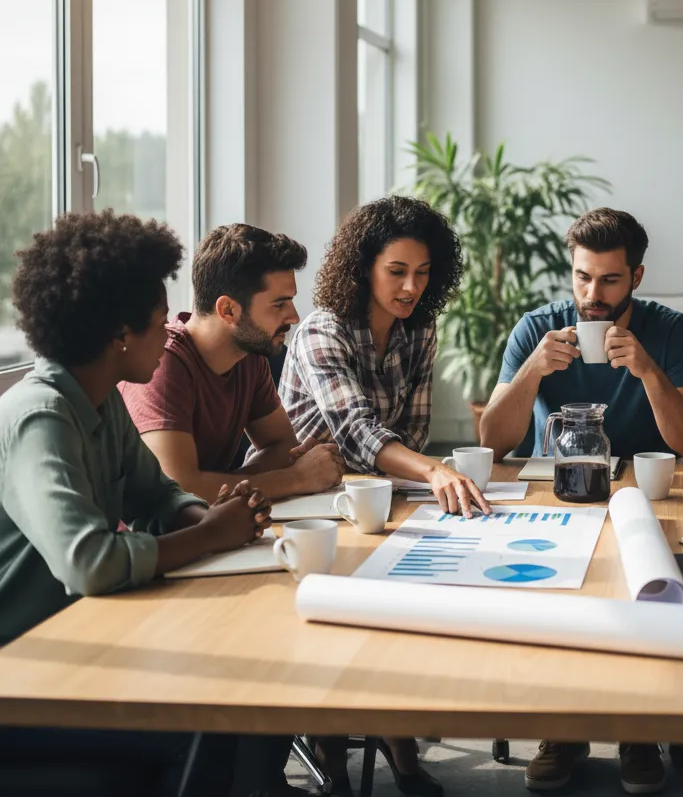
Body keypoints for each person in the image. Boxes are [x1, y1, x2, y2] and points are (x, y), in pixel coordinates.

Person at [0, 211, 274, 796]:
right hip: (20, 674)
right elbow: (89, 563)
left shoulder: (99, 403)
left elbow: (157, 495)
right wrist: (210, 537)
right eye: (157, 323)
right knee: (207, 726)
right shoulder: (41, 416)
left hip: (77, 647)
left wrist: (212, 519)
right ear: (119, 334)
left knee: (249, 697)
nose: (169, 333)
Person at [481, 207, 683, 795]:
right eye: (582, 277)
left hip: (647, 496)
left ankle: (636, 727)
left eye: (609, 280)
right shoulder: (537, 327)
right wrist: (532, 371)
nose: (593, 294)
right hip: (553, 491)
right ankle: (564, 727)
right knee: (556, 595)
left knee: (640, 588)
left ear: (636, 276)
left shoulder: (668, 329)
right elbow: (493, 442)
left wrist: (647, 370)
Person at [280, 194, 489, 796]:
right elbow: (357, 432)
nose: (410, 288)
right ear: (363, 267)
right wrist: (428, 472)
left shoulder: (419, 328)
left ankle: (396, 731)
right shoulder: (322, 330)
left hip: (378, 495)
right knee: (351, 601)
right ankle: (336, 748)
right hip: (310, 504)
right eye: (396, 271)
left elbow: (413, 432)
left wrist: (417, 469)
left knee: (412, 592)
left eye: (423, 273)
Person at [121, 223, 344, 504]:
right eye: (279, 304)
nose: (294, 316)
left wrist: (233, 485)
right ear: (228, 310)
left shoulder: (249, 355)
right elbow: (180, 488)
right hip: (151, 541)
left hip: (211, 526)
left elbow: (282, 447)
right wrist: (296, 478)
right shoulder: (163, 365)